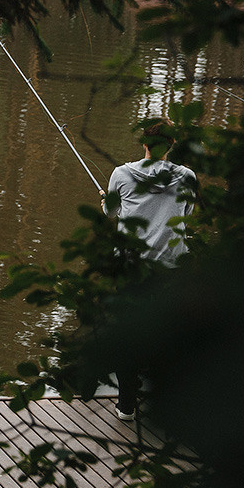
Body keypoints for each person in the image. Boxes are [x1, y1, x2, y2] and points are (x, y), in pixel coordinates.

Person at [104, 119, 196, 420]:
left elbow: (111, 211)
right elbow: (187, 212)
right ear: (172, 145)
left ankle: (127, 405)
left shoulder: (122, 174)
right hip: (171, 269)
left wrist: (108, 201)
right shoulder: (187, 177)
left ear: (145, 143)